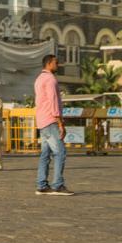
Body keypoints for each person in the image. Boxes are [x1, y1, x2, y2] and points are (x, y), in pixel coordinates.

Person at [34, 56, 71, 195]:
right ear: (49, 64)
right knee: (60, 152)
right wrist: (60, 123)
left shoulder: (39, 79)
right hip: (50, 121)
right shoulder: (50, 79)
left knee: (45, 154)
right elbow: (53, 102)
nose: (58, 64)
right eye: (56, 62)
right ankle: (57, 185)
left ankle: (42, 184)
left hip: (42, 121)